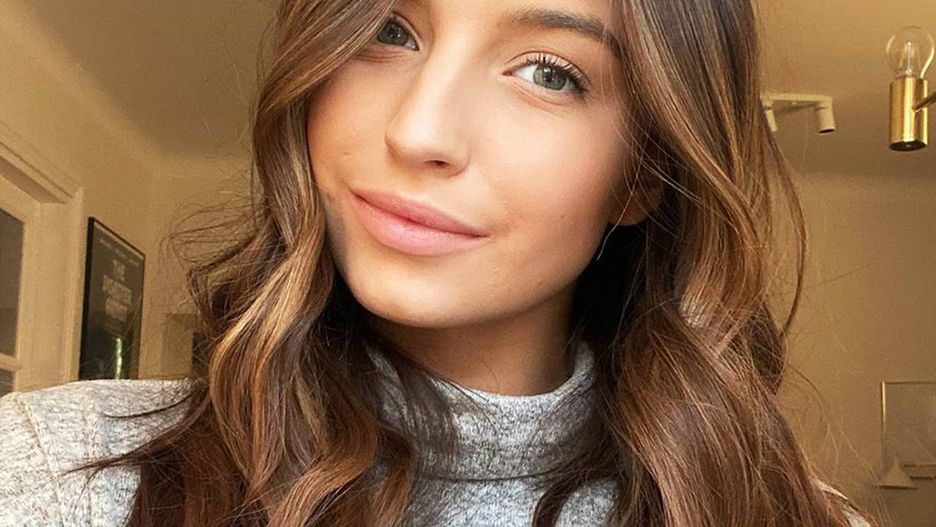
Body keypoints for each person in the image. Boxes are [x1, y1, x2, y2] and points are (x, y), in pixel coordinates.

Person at [0, 0, 878, 525]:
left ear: (643, 175)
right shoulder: (61, 468)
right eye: (390, 27)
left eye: (548, 72)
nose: (418, 128)